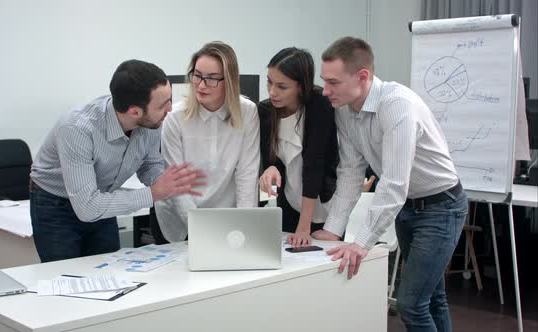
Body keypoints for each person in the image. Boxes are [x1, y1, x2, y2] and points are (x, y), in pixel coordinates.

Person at [317, 37, 467, 332]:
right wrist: (333, 229)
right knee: (432, 299)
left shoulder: (397, 104)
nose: (325, 91)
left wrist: (361, 243)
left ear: (362, 76)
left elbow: (395, 182)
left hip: (441, 206)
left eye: (333, 82)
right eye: (324, 81)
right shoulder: (344, 112)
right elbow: (350, 173)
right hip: (409, 208)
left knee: (410, 304)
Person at [29, 60, 205, 263]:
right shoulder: (77, 128)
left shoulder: (152, 123)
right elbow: (87, 208)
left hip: (102, 197)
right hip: (55, 204)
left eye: (169, 100)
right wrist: (154, 193)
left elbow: (149, 164)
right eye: (162, 104)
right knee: (65, 277)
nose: (169, 109)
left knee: (109, 270)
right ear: (135, 112)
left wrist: (167, 182)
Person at [154, 41, 260, 243]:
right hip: (181, 220)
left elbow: (247, 174)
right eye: (197, 75)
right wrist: (201, 230)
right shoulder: (175, 117)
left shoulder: (247, 112)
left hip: (227, 219)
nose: (201, 85)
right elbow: (179, 185)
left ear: (228, 81)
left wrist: (245, 226)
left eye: (212, 79)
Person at [257, 47, 339, 247]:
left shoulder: (320, 105)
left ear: (301, 86)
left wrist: (304, 227)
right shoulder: (265, 111)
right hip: (290, 202)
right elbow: (270, 161)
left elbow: (314, 165)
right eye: (269, 82)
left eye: (282, 86)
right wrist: (270, 168)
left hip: (324, 203)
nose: (272, 91)